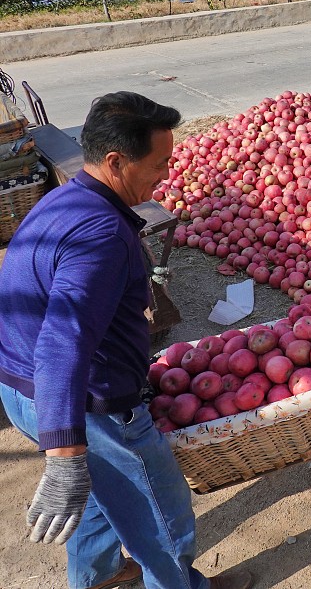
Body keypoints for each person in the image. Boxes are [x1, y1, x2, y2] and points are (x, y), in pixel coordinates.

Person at [0, 92, 253, 589]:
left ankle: (97, 576)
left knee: (97, 494)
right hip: (89, 407)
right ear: (115, 161)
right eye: (159, 163)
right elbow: (61, 346)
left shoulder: (63, 199)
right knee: (161, 514)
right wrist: (65, 454)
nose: (167, 174)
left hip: (22, 392)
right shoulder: (101, 234)